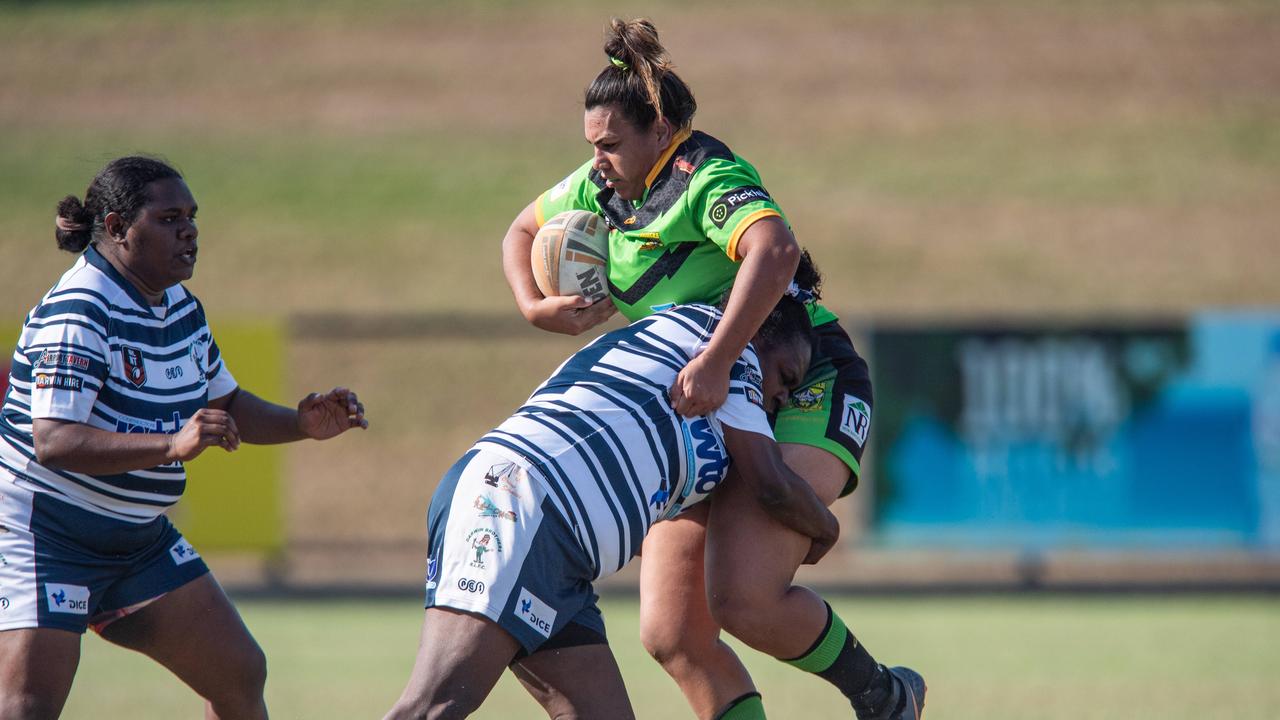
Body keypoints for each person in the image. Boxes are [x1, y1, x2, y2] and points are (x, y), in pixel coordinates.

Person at [500, 18, 925, 720]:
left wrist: (719, 360)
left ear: (660, 131)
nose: (597, 160)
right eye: (592, 146)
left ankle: (884, 697)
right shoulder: (604, 186)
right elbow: (521, 230)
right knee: (674, 635)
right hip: (705, 401)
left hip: (798, 375)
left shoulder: (706, 176)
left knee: (742, 597)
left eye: (610, 144)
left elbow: (776, 251)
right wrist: (536, 307)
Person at [0, 156, 368, 720]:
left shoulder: (178, 307)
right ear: (119, 227)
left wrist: (300, 424)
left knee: (239, 672)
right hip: (47, 536)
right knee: (28, 706)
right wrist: (172, 446)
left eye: (192, 216)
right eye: (169, 217)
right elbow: (53, 440)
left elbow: (226, 404)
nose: (189, 229)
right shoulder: (81, 308)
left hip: (137, 543)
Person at [383, 291, 835, 720]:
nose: (783, 398)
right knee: (432, 707)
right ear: (759, 333)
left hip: (562, 552)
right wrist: (826, 527)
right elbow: (772, 485)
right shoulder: (725, 345)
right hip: (521, 504)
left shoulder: (711, 386)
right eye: (787, 377)